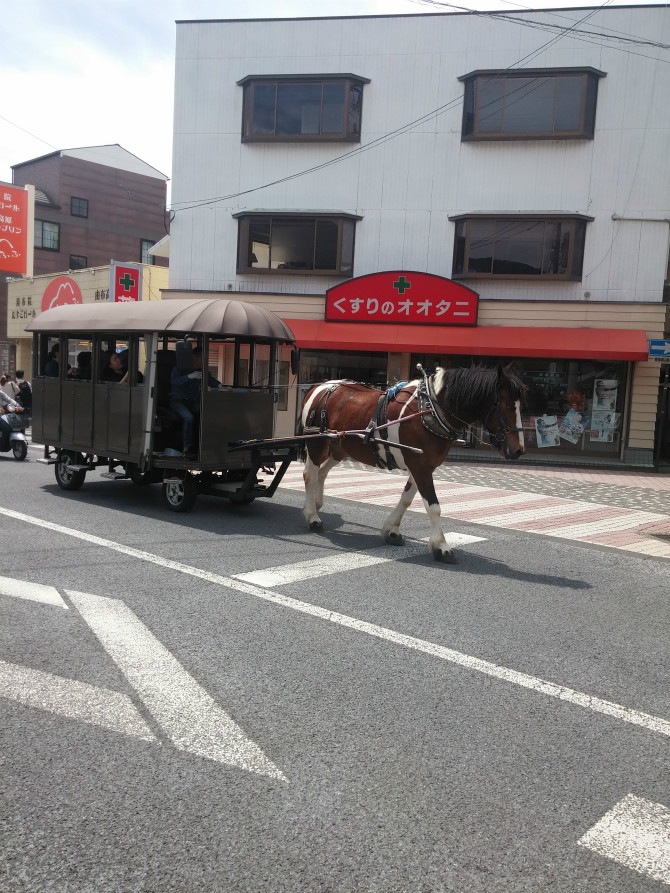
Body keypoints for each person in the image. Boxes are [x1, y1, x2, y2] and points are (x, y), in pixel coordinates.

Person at [169, 346, 219, 458]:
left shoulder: (201, 372)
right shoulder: (180, 368)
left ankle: (207, 445)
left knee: (209, 414)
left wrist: (220, 386)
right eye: (202, 357)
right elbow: (174, 381)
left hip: (192, 402)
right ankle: (186, 448)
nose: (204, 360)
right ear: (194, 357)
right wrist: (188, 377)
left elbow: (212, 381)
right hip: (178, 401)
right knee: (189, 418)